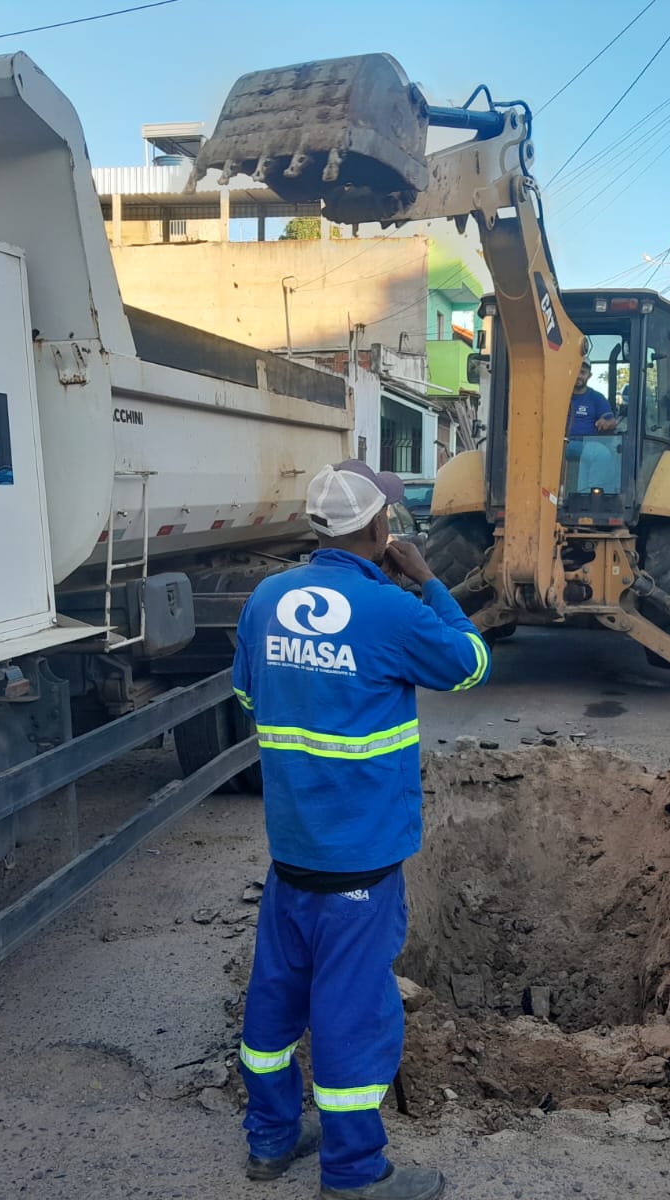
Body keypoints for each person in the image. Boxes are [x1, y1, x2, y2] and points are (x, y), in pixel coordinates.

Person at [231, 460, 490, 1200]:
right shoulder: (390, 610)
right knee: (352, 1011)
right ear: (381, 529)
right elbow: (470, 664)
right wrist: (428, 582)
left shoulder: (265, 599)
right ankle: (352, 1173)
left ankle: (271, 1140)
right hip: (361, 856)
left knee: (276, 997)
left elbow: (249, 688)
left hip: (293, 849)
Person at [565, 361, 619, 494]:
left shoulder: (596, 398)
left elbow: (612, 421)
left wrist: (605, 423)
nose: (578, 376)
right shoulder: (560, 395)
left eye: (582, 372)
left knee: (601, 453)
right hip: (561, 443)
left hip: (585, 443)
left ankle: (590, 494)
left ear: (589, 375)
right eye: (576, 371)